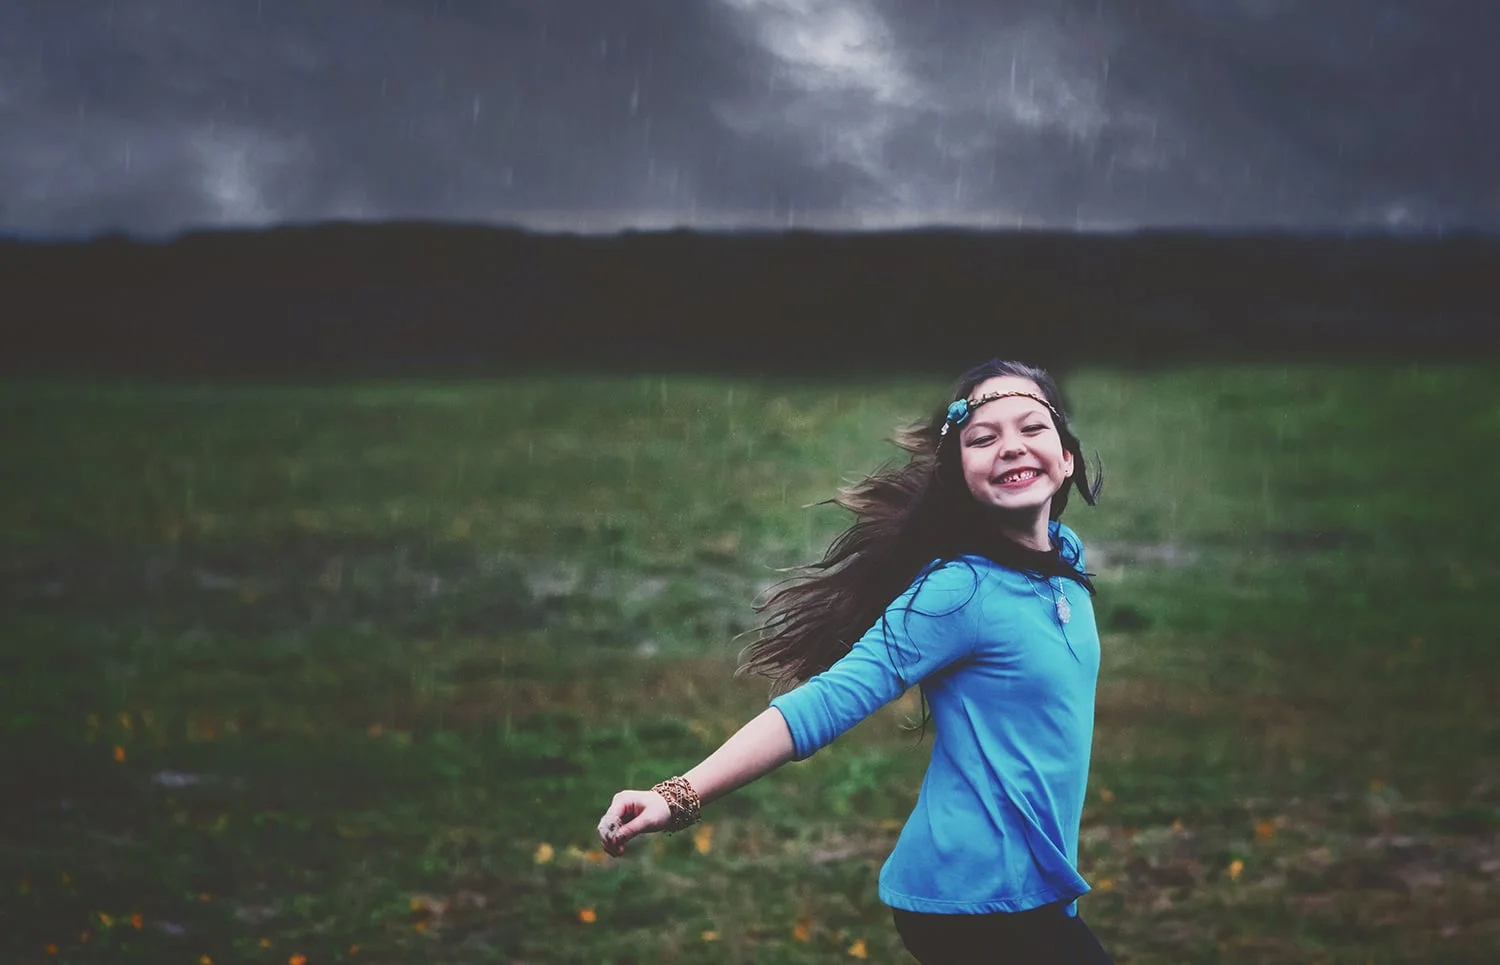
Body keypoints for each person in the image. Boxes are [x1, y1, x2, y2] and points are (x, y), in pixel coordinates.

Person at [596, 358, 1112, 964]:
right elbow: (823, 702)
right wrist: (678, 795)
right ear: (960, 473)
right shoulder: (958, 593)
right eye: (983, 437)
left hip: (1032, 891)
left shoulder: (1064, 562)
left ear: (1067, 456)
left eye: (1032, 427)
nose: (1011, 447)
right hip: (974, 900)